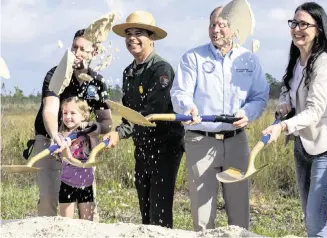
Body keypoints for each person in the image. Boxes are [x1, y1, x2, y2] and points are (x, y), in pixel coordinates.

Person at [170, 6, 269, 231]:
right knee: (203, 216)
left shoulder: (249, 60)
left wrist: (248, 113)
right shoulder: (192, 58)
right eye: (212, 25)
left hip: (237, 142)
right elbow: (180, 93)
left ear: (234, 28)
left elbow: (260, 95)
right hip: (200, 141)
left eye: (221, 25)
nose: (216, 30)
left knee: (240, 214)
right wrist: (189, 108)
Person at [261, 2, 327, 237]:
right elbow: (287, 88)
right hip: (303, 145)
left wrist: (282, 126)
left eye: (304, 24)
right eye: (294, 23)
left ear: (318, 29)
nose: (297, 28)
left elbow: (314, 111)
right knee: (309, 214)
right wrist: (283, 104)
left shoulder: (325, 64)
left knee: (315, 218)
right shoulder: (297, 61)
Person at [104, 11, 184, 228]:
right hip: (142, 146)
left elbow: (149, 114)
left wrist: (119, 133)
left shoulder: (161, 69)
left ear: (152, 38)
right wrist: (118, 130)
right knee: (145, 206)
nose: (132, 39)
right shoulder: (129, 71)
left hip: (164, 146)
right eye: (128, 34)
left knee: (159, 208)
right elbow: (129, 112)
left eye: (138, 33)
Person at [31, 29, 112, 218]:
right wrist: (55, 135)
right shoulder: (56, 74)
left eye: (83, 49)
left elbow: (106, 122)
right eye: (74, 47)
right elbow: (50, 109)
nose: (77, 53)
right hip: (50, 141)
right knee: (49, 199)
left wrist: (94, 129)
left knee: (87, 203)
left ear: (94, 53)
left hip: (81, 148)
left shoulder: (97, 82)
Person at [57, 97, 97, 221]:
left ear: (84, 116)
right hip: (67, 183)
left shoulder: (88, 133)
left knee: (87, 224)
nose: (68, 116)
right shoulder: (60, 136)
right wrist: (65, 151)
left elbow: (96, 153)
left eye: (72, 113)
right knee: (67, 223)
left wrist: (90, 133)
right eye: (65, 113)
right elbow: (66, 158)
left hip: (86, 184)